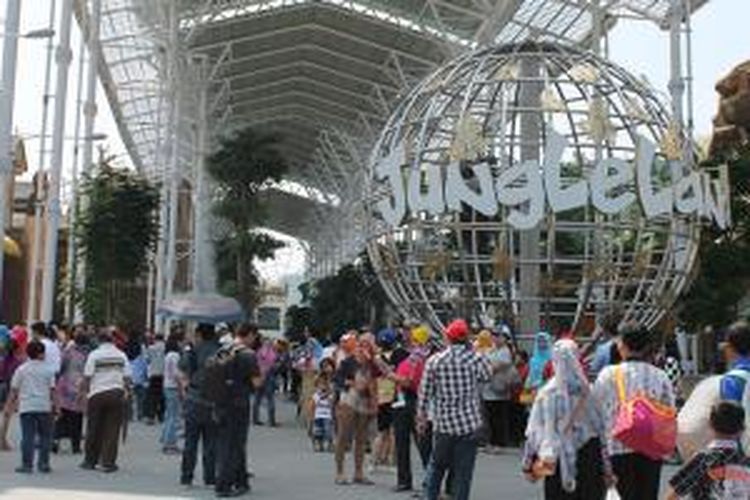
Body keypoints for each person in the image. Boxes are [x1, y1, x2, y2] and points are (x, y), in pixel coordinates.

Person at [592, 323, 676, 500]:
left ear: (621, 344)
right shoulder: (660, 376)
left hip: (617, 448)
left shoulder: (608, 374)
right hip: (651, 450)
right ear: (647, 346)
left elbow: (595, 411)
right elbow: (670, 412)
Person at [522, 339, 613, 499]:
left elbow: (534, 432)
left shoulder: (546, 393)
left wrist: (528, 463)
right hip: (588, 456)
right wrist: (608, 468)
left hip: (555, 459)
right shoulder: (590, 392)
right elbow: (603, 431)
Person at [417, 319, 492, 500]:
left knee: (436, 468)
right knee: (463, 474)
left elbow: (424, 393)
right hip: (469, 424)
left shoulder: (435, 360)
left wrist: (421, 419)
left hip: (443, 424)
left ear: (447, 338)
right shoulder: (476, 358)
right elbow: (487, 376)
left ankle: (430, 497)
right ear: (466, 338)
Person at [214, 324, 262, 498]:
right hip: (239, 403)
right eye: (254, 337)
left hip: (220, 401)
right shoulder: (248, 355)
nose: (255, 340)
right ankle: (224, 485)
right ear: (249, 335)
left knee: (226, 442)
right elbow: (257, 382)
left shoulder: (223, 350)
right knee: (234, 444)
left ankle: (241, 480)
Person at [667, 401, 750, 499]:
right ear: (743, 428)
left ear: (710, 424)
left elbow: (674, 493)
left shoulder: (703, 459)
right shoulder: (746, 462)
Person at [79, 329, 132, 473]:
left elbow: (87, 376)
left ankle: (90, 460)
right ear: (113, 341)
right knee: (112, 429)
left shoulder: (94, 355)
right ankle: (108, 462)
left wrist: (82, 393)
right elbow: (127, 377)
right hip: (116, 393)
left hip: (97, 394)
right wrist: (128, 391)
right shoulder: (121, 355)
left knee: (94, 427)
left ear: (99, 341)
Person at [3, 340, 57, 473]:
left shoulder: (22, 369)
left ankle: (27, 465)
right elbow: (53, 391)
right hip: (44, 407)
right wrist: (57, 406)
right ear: (41, 354)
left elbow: (14, 390)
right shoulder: (48, 369)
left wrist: (8, 406)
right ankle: (43, 464)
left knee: (28, 436)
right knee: (45, 436)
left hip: (27, 407)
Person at [334, 337, 381, 486]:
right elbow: (337, 378)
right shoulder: (348, 361)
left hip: (365, 401)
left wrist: (375, 403)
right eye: (362, 344)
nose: (364, 347)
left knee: (361, 439)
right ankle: (340, 472)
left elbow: (378, 380)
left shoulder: (373, 363)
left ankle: (358, 473)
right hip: (349, 399)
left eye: (368, 344)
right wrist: (350, 382)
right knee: (343, 436)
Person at [392, 323, 431, 493]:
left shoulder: (425, 358)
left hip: (416, 399)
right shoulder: (407, 356)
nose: (412, 341)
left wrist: (390, 374)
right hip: (401, 399)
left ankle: (430, 480)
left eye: (415, 338)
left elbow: (410, 380)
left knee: (422, 443)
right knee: (401, 441)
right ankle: (404, 480)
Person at [180, 323, 220, 487]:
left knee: (191, 442)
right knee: (211, 443)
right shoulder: (221, 351)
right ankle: (209, 478)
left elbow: (184, 372)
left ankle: (186, 477)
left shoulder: (192, 351)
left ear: (199, 335)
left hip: (194, 399)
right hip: (214, 402)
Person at [53, 330, 89, 454]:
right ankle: (76, 446)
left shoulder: (68, 352)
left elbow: (60, 368)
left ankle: (56, 440)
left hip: (65, 386)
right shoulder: (88, 354)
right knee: (77, 418)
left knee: (62, 416)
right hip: (80, 386)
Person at [481, 330, 517, 452]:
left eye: (499, 337)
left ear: (505, 339)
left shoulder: (505, 351)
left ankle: (499, 444)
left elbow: (498, 366)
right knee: (490, 417)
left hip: (499, 389)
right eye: (494, 337)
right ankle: (490, 443)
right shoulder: (491, 349)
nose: (496, 339)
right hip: (489, 388)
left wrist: (488, 365)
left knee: (498, 418)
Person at [0, 326, 25, 451]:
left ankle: (3, 440)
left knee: (5, 415)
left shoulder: (5, 359)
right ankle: (2, 440)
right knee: (6, 415)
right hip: (11, 389)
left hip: (3, 385)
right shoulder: (18, 362)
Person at [161, 334, 183, 454]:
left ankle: (165, 438)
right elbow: (176, 374)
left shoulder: (167, 355)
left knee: (169, 414)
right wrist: (182, 388)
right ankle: (170, 443)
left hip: (167, 385)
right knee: (174, 416)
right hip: (173, 386)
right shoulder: (175, 356)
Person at [253, 336, 278, 427]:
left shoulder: (259, 352)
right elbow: (273, 365)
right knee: (270, 399)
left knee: (257, 398)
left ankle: (255, 419)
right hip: (268, 377)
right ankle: (271, 421)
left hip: (259, 375)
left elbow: (255, 363)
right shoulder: (272, 353)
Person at [145, 333, 166, 425]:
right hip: (163, 374)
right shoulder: (166, 348)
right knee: (162, 396)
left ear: (155, 339)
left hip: (154, 374)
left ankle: (151, 417)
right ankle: (161, 416)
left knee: (152, 396)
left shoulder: (151, 348)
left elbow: (147, 360)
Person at [311, 373, 334, 452]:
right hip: (318, 416)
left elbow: (332, 405)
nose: (322, 387)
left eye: (324, 385)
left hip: (327, 416)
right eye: (320, 385)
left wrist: (327, 396)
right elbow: (312, 406)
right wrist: (312, 416)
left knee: (328, 431)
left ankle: (329, 444)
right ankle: (319, 444)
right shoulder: (316, 396)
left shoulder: (330, 396)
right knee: (318, 431)